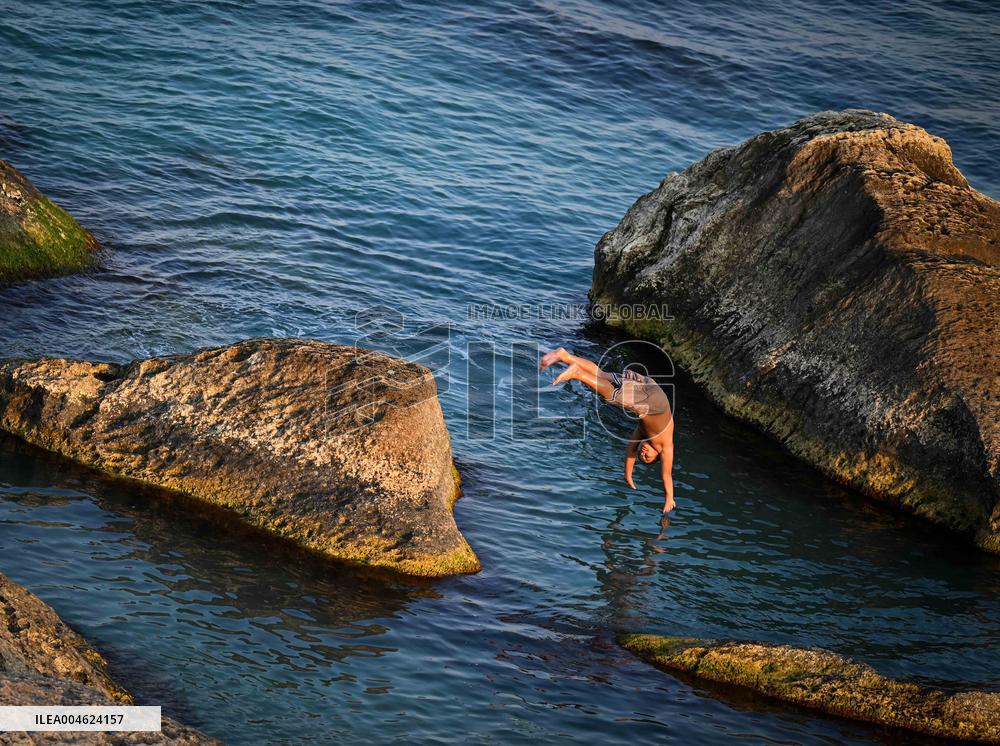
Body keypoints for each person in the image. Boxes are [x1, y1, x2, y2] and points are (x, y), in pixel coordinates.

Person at [540, 347, 675, 513]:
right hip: (656, 403)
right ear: (658, 456)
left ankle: (564, 356)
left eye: (642, 455)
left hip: (649, 386)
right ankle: (577, 373)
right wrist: (669, 498)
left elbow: (630, 451)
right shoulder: (665, 446)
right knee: (612, 396)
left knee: (601, 374)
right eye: (647, 457)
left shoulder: (642, 432)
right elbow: (666, 476)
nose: (643, 453)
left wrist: (628, 475)